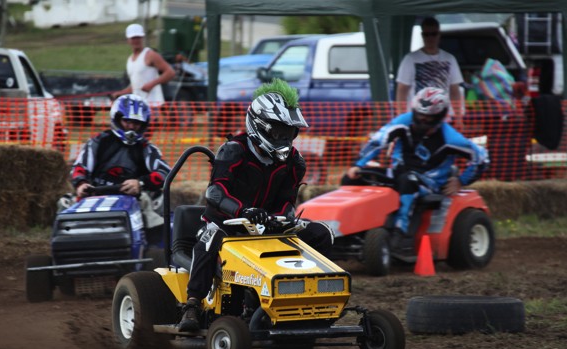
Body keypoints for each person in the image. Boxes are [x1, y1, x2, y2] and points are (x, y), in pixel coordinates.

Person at [178, 79, 334, 332]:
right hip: (228, 224)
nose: (285, 138)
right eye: (279, 132)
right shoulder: (233, 151)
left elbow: (287, 201)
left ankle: (312, 299)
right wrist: (243, 211)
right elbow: (215, 192)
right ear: (260, 126)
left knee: (322, 233)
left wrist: (282, 216)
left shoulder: (294, 161)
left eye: (289, 132)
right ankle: (192, 305)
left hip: (269, 226)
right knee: (209, 239)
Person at [344, 87, 488, 254]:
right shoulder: (403, 122)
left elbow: (482, 158)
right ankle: (352, 229)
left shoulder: (451, 138)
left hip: (429, 182)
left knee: (409, 180)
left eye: (427, 117)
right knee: (352, 178)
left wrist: (461, 181)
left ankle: (400, 235)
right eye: (419, 115)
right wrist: (358, 165)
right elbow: (378, 140)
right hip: (397, 173)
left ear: (439, 116)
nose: (422, 119)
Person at [68, 94, 171, 238]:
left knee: (156, 211)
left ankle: (153, 251)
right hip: (96, 194)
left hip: (134, 198)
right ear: (116, 118)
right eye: (127, 121)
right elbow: (79, 168)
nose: (131, 126)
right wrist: (81, 183)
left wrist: (140, 183)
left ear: (143, 124)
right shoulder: (98, 142)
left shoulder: (147, 148)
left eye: (136, 123)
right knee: (64, 204)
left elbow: (165, 172)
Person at [396, 17, 463, 123]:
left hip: (443, 117)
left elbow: (455, 91)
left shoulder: (450, 59)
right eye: (426, 34)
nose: (430, 38)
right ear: (422, 35)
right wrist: (401, 117)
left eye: (434, 34)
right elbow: (402, 91)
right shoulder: (410, 59)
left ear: (439, 35)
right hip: (418, 117)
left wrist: (459, 117)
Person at [111, 23, 176, 105]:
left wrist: (152, 84)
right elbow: (135, 86)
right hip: (138, 106)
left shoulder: (150, 54)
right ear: (128, 40)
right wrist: (121, 93)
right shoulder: (130, 60)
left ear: (142, 38)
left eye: (138, 37)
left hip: (152, 105)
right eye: (133, 38)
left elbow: (171, 72)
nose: (136, 40)